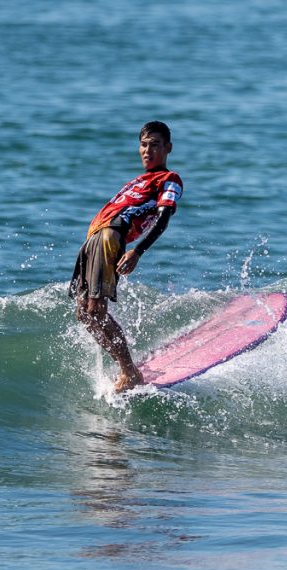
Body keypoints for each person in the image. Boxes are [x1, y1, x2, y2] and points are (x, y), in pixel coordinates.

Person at [69, 121, 184, 393]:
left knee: (96, 310)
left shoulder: (169, 179)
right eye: (143, 145)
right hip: (93, 240)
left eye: (155, 145)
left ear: (168, 148)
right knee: (84, 313)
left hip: (110, 237)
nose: (148, 150)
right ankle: (127, 369)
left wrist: (137, 251)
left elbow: (163, 217)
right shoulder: (136, 181)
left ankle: (129, 371)